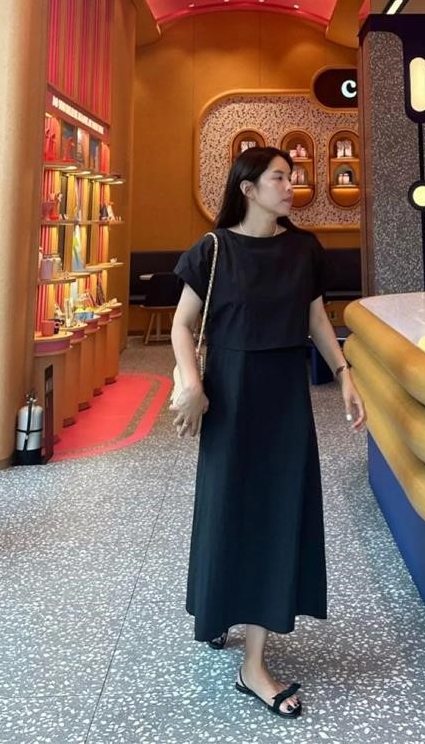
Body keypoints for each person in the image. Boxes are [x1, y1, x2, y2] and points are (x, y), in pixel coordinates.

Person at [170, 146, 366, 719]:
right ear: (248, 189)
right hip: (229, 394)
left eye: (291, 176)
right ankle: (219, 608)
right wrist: (192, 383)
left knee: (275, 513)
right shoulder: (213, 249)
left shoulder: (303, 249)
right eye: (279, 177)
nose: (290, 185)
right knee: (228, 507)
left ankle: (253, 665)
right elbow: (182, 324)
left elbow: (315, 318)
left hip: (284, 394)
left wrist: (344, 374)